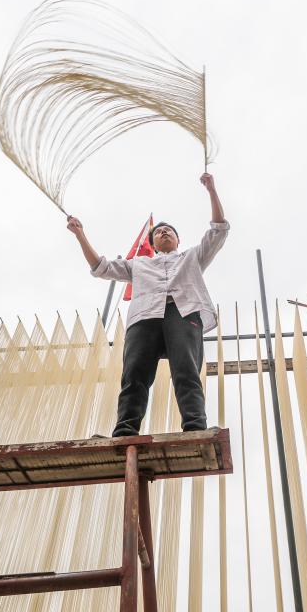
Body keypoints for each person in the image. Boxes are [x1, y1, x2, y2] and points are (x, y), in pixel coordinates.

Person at [66, 173, 228, 436]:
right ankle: (126, 430)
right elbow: (101, 267)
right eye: (159, 232)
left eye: (169, 231)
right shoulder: (139, 264)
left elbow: (219, 230)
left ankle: (195, 426)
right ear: (152, 244)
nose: (163, 232)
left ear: (178, 240)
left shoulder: (193, 256)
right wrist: (80, 234)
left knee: (186, 370)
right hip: (144, 316)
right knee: (135, 374)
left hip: (183, 311)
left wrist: (212, 190)